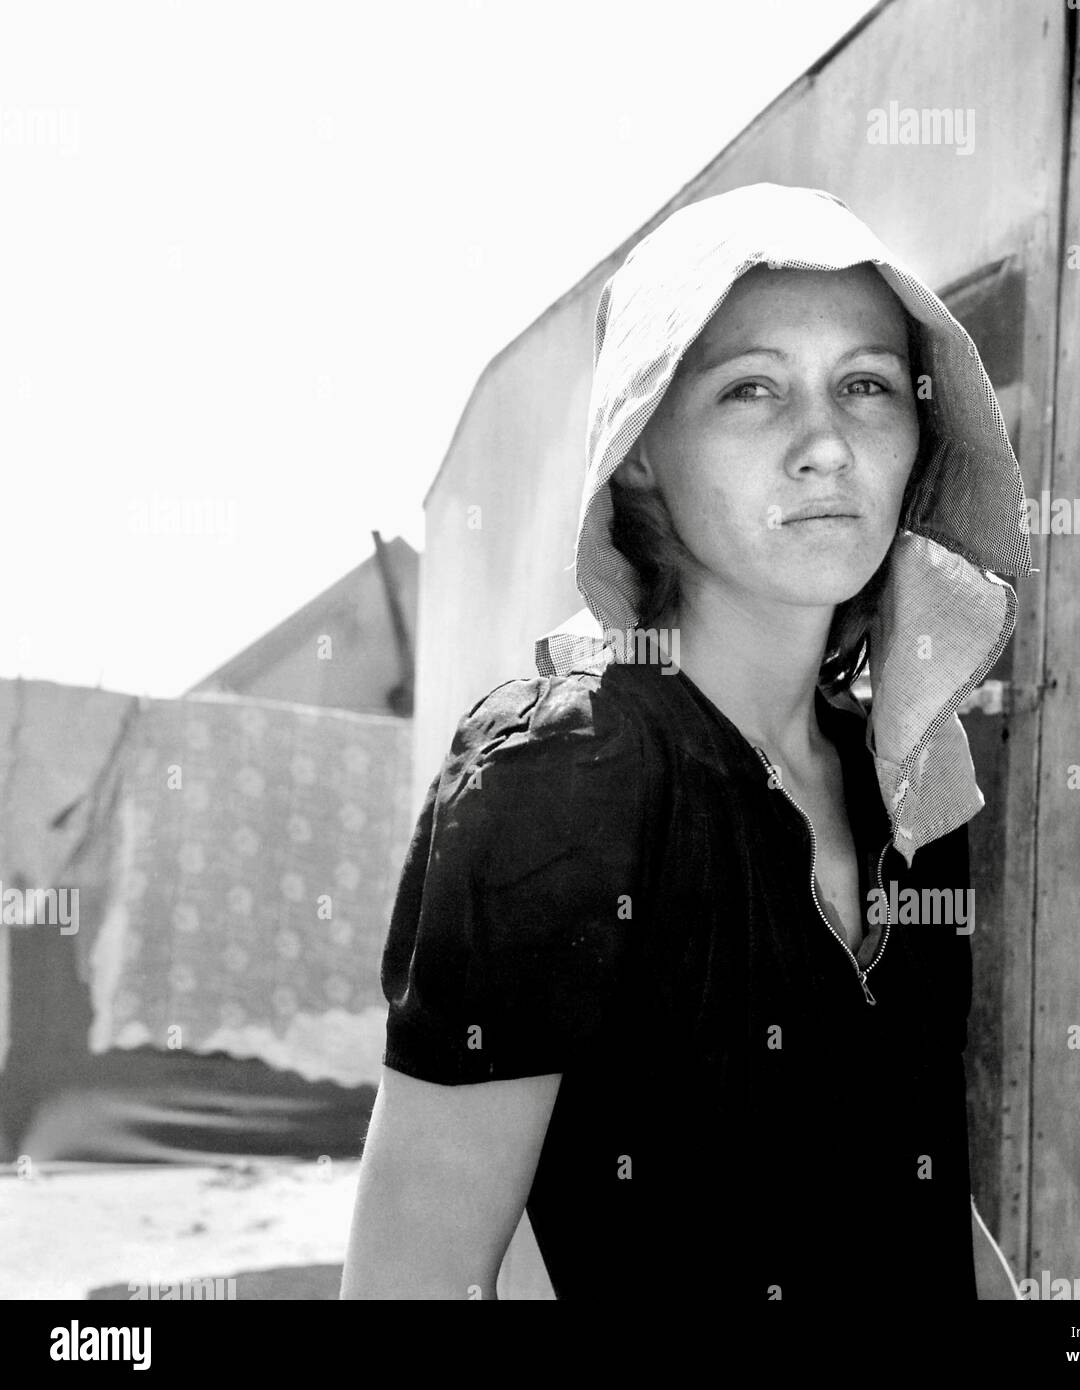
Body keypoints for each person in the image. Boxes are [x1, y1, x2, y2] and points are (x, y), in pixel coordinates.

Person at [341, 183, 1028, 1301]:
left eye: (865, 386)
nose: (825, 446)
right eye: (751, 389)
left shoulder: (904, 783)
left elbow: (912, 1180)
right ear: (641, 448)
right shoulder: (560, 779)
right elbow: (412, 1283)